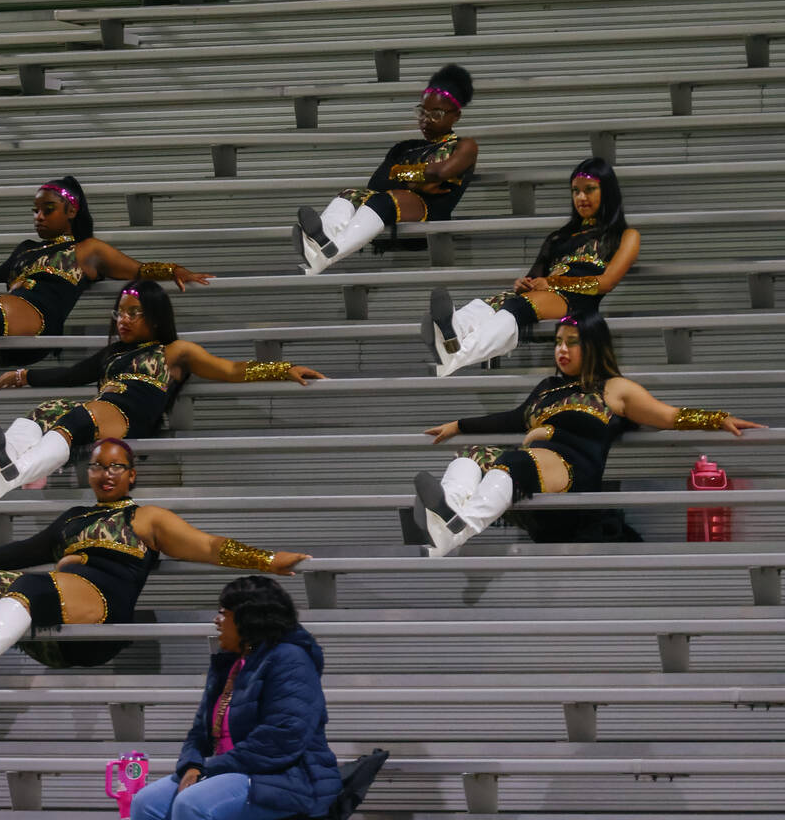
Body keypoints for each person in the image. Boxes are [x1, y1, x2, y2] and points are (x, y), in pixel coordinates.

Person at [0, 439, 311, 690]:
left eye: (115, 467)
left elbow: (208, 546)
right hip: (54, 622)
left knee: (30, 585)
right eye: (97, 466)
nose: (105, 475)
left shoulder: (146, 519)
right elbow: (27, 550)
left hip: (101, 618)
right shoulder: (73, 517)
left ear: (131, 473)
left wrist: (268, 559)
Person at [414, 313, 763, 557]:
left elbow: (667, 415)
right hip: (533, 475)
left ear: (593, 345)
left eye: (572, 342)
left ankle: (456, 527)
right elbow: (511, 418)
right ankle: (445, 525)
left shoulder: (614, 389)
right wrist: (458, 425)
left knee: (516, 460)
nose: (561, 350)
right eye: (558, 342)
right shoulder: (547, 388)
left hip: (574, 480)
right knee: (471, 455)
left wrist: (717, 418)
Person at [0, 278, 325, 500]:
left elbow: (231, 369)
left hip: (133, 413)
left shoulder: (176, 351)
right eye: (119, 314)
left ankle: (12, 472)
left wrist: (281, 368)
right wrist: (23, 375)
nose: (123, 320)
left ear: (156, 317)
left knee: (83, 415)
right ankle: (1, 472)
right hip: (105, 409)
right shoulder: (114, 353)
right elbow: (73, 372)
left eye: (134, 313)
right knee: (46, 410)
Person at [0, 176, 213, 390]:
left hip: (37, 325)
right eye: (35, 210)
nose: (38, 216)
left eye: (47, 209)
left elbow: (136, 268)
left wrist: (173, 270)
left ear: (71, 211)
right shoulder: (26, 250)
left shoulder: (87, 250)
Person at [130, 575, 341, 820]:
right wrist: (192, 765)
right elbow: (199, 732)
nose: (216, 621)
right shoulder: (229, 662)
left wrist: (210, 769)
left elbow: (284, 736)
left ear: (246, 618)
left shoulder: (291, 659)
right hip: (225, 769)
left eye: (223, 613)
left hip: (285, 777)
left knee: (193, 804)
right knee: (146, 802)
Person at [426, 156, 640, 377]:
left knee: (517, 306)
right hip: (545, 295)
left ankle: (453, 356)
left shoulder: (624, 235)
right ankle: (452, 330)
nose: (581, 197)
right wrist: (524, 283)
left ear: (607, 191)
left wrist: (552, 282)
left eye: (589, 190)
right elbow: (535, 276)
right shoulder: (559, 237)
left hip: (579, 302)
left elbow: (607, 282)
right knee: (499, 301)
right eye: (575, 191)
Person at [294, 64, 476, 276]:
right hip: (387, 212)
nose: (425, 120)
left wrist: (400, 173)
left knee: (387, 198)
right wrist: (416, 178)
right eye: (422, 113)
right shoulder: (406, 147)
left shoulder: (464, 146)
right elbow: (378, 183)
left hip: (430, 216)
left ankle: (320, 254)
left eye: (435, 114)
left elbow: (440, 173)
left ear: (456, 116)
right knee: (351, 194)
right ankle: (319, 243)